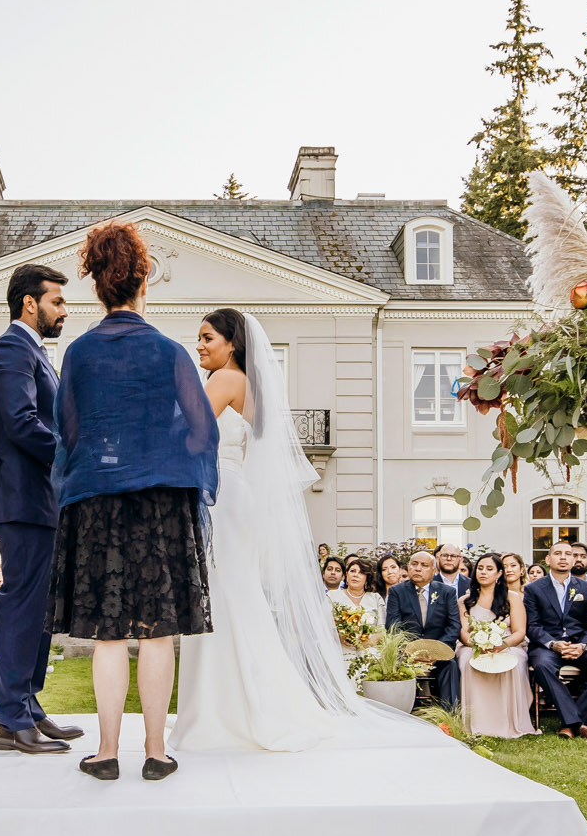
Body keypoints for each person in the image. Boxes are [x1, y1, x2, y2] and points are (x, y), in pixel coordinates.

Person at [51, 223, 218, 780]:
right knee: (158, 630)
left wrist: (109, 457)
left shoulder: (77, 354)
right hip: (160, 504)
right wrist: (163, 453)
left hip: (99, 503)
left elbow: (69, 433)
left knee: (108, 633)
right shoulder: (170, 353)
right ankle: (155, 751)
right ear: (143, 282)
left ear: (97, 288)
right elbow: (201, 432)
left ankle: (104, 753)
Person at [174, 308, 363, 754]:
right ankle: (245, 705)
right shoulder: (251, 385)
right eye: (198, 338)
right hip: (237, 495)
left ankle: (220, 713)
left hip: (219, 495)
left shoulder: (223, 381)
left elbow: (187, 438)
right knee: (235, 597)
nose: (199, 345)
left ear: (232, 344)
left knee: (219, 599)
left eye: (207, 338)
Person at [0, 261, 84, 754]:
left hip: (42, 500)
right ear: (30, 303)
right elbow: (22, 423)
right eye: (57, 301)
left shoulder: (34, 353)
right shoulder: (10, 350)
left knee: (40, 607)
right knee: (23, 604)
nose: (64, 310)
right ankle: (10, 718)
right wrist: (74, 457)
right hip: (22, 499)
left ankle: (28, 704)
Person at [524, 540, 587, 740]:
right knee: (542, 665)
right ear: (548, 559)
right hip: (548, 646)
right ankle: (580, 724)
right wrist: (553, 644)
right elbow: (533, 625)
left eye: (568, 554)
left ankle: (571, 723)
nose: (563, 557)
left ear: (573, 559)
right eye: (558, 553)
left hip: (581, 644)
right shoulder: (534, 589)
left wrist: (583, 645)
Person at [457, 553, 534, 738]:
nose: (483, 572)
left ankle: (509, 721)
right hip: (473, 646)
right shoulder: (464, 601)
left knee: (514, 661)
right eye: (480, 568)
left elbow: (519, 632)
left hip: (508, 645)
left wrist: (501, 645)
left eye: (489, 569)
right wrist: (477, 645)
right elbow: (463, 632)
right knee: (467, 661)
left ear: (499, 573)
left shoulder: (512, 598)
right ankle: (476, 722)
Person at [385, 550, 463, 706]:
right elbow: (393, 625)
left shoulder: (447, 592)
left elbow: (454, 625)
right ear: (407, 567)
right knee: (394, 663)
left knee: (451, 665)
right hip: (407, 652)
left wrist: (436, 651)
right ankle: (405, 712)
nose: (418, 568)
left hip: (439, 652)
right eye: (414, 564)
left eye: (424, 565)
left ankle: (449, 714)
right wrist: (411, 651)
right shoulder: (397, 592)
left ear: (434, 570)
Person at [328, 557, 383, 638]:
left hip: (369, 647)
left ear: (367, 578)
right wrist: (342, 638)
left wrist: (366, 644)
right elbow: (326, 627)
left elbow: (381, 631)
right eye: (352, 571)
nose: (355, 575)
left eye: (361, 572)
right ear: (346, 575)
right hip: (339, 647)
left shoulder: (376, 598)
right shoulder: (332, 596)